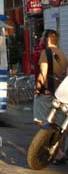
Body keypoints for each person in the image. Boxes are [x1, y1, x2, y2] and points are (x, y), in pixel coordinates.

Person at [33, 29, 67, 164]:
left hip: (47, 93)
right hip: (61, 95)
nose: (40, 39)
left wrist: (37, 90)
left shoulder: (45, 53)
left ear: (47, 39)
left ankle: (49, 148)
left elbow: (43, 73)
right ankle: (57, 152)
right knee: (59, 124)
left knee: (40, 119)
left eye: (42, 37)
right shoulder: (63, 55)